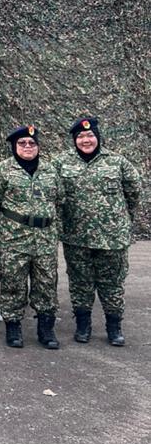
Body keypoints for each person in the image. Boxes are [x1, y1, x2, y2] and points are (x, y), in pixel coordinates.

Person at [56, 115, 141, 346]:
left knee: (112, 284)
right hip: (76, 237)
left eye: (90, 135)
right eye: (81, 137)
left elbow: (133, 192)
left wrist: (119, 219)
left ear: (98, 137)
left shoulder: (117, 162)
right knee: (79, 284)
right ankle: (83, 326)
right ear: (74, 140)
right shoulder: (61, 163)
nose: (86, 140)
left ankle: (114, 327)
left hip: (111, 238)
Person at [0, 125, 63, 349]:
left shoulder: (50, 170)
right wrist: (16, 219)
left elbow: (60, 198)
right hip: (13, 238)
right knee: (12, 283)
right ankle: (13, 327)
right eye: (22, 143)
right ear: (14, 146)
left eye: (32, 143)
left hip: (45, 238)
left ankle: (46, 329)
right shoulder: (2, 171)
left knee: (46, 283)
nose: (27, 146)